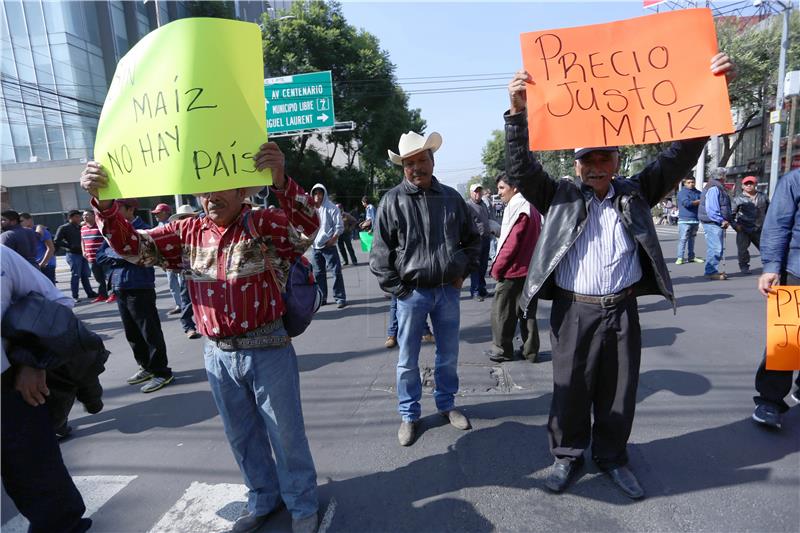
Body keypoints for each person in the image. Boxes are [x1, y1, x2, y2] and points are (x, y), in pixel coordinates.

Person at [504, 52, 734, 499]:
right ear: (575, 164)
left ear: (616, 158)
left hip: (622, 311)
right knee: (570, 390)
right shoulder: (559, 197)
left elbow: (680, 154)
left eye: (603, 156)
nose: (595, 165)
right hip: (574, 312)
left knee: (618, 392)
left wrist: (712, 91)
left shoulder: (637, 193)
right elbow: (520, 170)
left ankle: (611, 457)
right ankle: (567, 456)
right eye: (586, 158)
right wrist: (517, 112)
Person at [80, 142, 321, 533]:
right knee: (241, 436)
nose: (211, 197)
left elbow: (305, 230)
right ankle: (263, 497)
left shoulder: (263, 224)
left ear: (243, 190)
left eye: (222, 187)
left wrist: (280, 180)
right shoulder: (184, 231)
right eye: (204, 189)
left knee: (286, 434)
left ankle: (302, 503)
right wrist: (103, 204)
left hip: (268, 347)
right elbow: (130, 247)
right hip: (218, 355)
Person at [370, 130, 481, 446]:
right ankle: (409, 414)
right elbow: (380, 255)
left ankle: (447, 405)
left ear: (432, 161)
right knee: (407, 360)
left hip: (447, 291)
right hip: (411, 294)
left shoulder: (450, 197)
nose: (416, 167)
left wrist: (461, 273)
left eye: (421, 160)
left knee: (448, 354)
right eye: (409, 163)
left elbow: (473, 239)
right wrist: (400, 290)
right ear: (402, 166)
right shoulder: (392, 201)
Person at [1, 245, 92, 533]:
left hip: (10, 387)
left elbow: (55, 302)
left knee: (38, 476)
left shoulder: (2, 257)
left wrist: (31, 362)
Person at [95, 198, 173, 394]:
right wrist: (123, 254)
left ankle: (161, 372)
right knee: (132, 332)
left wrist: (122, 254)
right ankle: (145, 367)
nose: (114, 211)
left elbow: (141, 256)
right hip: (119, 286)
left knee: (149, 331)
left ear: (130, 210)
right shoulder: (112, 232)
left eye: (118, 208)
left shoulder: (143, 230)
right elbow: (100, 256)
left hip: (140, 286)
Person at [751, 169, 800, 429]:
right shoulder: (795, 180)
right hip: (796, 270)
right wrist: (771, 266)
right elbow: (778, 224)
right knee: (787, 341)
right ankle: (769, 401)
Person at [486, 172, 542, 363]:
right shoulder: (530, 207)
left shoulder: (519, 207)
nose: (499, 193)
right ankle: (530, 351)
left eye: (502, 188)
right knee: (527, 313)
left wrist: (497, 269)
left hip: (513, 271)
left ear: (514, 187)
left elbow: (510, 244)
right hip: (530, 270)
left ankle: (502, 350)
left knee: (502, 313)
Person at [310, 184, 347, 309]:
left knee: (336, 272)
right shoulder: (310, 209)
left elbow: (339, 226)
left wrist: (333, 239)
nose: (317, 196)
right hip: (315, 246)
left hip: (329, 245)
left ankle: (340, 297)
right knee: (318, 273)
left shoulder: (331, 208)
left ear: (324, 194)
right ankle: (322, 298)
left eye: (320, 193)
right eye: (315, 193)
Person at [168, 205, 201, 340]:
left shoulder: (200, 231)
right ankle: (189, 327)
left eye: (188, 218)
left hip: (204, 271)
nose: (185, 221)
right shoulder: (176, 235)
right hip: (186, 271)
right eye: (182, 218)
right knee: (187, 300)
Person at [54, 209, 99, 301]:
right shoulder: (64, 228)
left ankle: (90, 293)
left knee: (85, 275)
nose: (80, 218)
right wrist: (69, 246)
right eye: (77, 217)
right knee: (75, 275)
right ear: (71, 218)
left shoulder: (80, 227)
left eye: (80, 216)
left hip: (82, 254)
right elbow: (56, 240)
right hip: (73, 254)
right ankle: (75, 296)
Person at [699, 167, 733, 280]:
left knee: (713, 247)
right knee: (716, 247)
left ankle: (711, 270)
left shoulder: (715, 186)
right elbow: (712, 209)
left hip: (712, 221)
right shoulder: (714, 188)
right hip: (713, 222)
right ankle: (711, 271)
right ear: (722, 176)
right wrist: (721, 220)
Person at [732, 175, 769, 275]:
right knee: (742, 249)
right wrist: (735, 226)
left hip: (760, 227)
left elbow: (769, 211)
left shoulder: (763, 196)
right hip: (744, 228)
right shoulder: (738, 199)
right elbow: (731, 214)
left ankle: (769, 267)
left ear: (755, 185)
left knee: (766, 248)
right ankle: (744, 266)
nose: (749, 185)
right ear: (743, 186)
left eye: (751, 183)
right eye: (746, 184)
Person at [152, 203, 183, 315]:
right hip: (166, 262)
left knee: (182, 283)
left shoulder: (174, 225)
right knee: (172, 284)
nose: (155, 215)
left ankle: (187, 304)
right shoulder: (157, 228)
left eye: (158, 213)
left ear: (165, 212)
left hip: (179, 260)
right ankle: (179, 305)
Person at [466, 183, 493, 301]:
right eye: (475, 192)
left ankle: (482, 289)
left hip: (486, 238)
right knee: (475, 267)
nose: (478, 194)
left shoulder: (483, 204)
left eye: (479, 191)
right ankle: (475, 292)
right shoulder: (468, 206)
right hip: (475, 241)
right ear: (471, 193)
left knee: (483, 266)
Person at [19, 212, 57, 283]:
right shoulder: (23, 233)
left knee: (49, 288)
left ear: (29, 220)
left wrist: (42, 263)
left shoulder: (42, 230)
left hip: (46, 265)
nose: (20, 223)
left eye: (21, 221)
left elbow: (51, 248)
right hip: (33, 265)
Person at [80, 210, 109, 303]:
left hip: (103, 256)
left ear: (93, 215)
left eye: (87, 215)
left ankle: (113, 294)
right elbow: (82, 241)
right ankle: (102, 295)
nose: (85, 217)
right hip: (91, 258)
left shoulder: (101, 226)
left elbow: (108, 238)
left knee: (109, 276)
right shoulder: (83, 228)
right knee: (98, 278)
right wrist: (84, 251)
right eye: (83, 215)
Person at [675, 176, 704, 264]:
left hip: (695, 219)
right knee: (683, 239)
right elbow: (687, 203)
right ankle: (680, 257)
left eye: (692, 182)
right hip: (684, 220)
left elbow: (704, 202)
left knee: (692, 239)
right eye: (689, 182)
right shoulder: (682, 193)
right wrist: (700, 201)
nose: (691, 184)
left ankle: (691, 257)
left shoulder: (698, 192)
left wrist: (700, 201)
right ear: (684, 183)